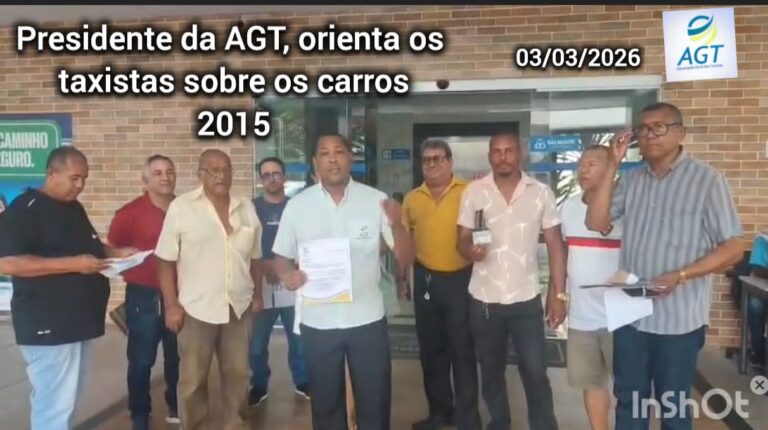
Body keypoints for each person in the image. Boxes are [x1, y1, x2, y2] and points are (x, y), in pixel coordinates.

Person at [585, 102, 743, 429]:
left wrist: (682, 275)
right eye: (643, 129)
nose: (649, 135)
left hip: (678, 323)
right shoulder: (632, 180)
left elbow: (733, 248)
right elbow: (596, 221)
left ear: (680, 132)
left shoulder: (707, 180)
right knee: (629, 403)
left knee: (673, 408)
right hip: (630, 317)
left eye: (659, 127)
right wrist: (613, 165)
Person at [272, 133, 415, 430]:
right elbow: (281, 257)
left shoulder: (376, 200)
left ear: (351, 158)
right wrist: (287, 275)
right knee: (325, 404)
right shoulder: (298, 206)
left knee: (375, 399)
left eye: (339, 151)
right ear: (315, 162)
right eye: (324, 153)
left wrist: (397, 224)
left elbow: (406, 257)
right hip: (318, 321)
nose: (332, 159)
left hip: (367, 319)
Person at [0, 146, 137, 430]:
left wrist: (115, 253)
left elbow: (86, 246)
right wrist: (73, 265)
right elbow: (9, 262)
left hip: (77, 322)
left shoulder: (73, 208)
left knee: (69, 397)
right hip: (48, 324)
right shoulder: (25, 209)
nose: (80, 185)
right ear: (52, 173)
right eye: (74, 178)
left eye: (84, 178)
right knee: (54, 402)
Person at [457, 131, 565, 430]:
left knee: (535, 372)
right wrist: (469, 250)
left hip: (525, 300)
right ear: (489, 156)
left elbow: (556, 245)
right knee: (491, 373)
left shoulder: (540, 192)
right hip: (484, 301)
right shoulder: (474, 191)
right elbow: (462, 239)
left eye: (509, 150)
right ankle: (499, 423)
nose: (503, 157)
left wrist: (559, 294)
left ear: (520, 154)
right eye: (497, 151)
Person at [154, 149, 264, 430]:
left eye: (226, 170)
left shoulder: (246, 207)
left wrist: (258, 295)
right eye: (213, 170)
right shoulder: (181, 208)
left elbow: (255, 258)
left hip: (237, 307)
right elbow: (165, 260)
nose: (221, 175)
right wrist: (171, 306)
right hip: (196, 309)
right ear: (200, 174)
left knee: (239, 377)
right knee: (192, 382)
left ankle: (236, 426)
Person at [400, 138, 481, 430]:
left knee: (462, 352)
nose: (432, 164)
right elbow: (405, 241)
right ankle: (439, 414)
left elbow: (483, 230)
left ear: (449, 162)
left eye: (438, 159)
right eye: (426, 160)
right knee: (432, 352)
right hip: (426, 280)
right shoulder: (412, 198)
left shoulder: (469, 192)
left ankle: (468, 418)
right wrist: (402, 277)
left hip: (462, 280)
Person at [107, 155, 180, 429]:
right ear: (145, 180)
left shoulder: (186, 209)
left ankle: (176, 404)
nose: (165, 177)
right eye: (158, 173)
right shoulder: (129, 213)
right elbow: (112, 250)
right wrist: (122, 255)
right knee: (140, 360)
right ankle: (139, 413)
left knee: (178, 357)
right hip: (143, 297)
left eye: (169, 172)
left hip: (181, 295)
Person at [559, 146, 622, 430]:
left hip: (622, 317)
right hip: (582, 316)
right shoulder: (569, 208)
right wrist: (559, 296)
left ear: (611, 169)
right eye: (580, 164)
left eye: (591, 164)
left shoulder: (625, 208)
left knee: (629, 384)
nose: (583, 170)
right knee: (592, 383)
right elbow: (562, 255)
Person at [249, 156, 310, 407]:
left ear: (284, 177)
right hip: (260, 284)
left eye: (276, 173)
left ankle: (303, 381)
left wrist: (287, 268)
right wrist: (266, 265)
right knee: (256, 344)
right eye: (266, 175)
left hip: (292, 283)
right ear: (261, 180)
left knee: (298, 339)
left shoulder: (297, 207)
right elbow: (244, 245)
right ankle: (259, 385)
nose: (271, 178)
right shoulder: (250, 208)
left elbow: (307, 242)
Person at [747, 232, 768, 369]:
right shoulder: (762, 240)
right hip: (762, 287)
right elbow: (757, 269)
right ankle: (759, 352)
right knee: (755, 304)